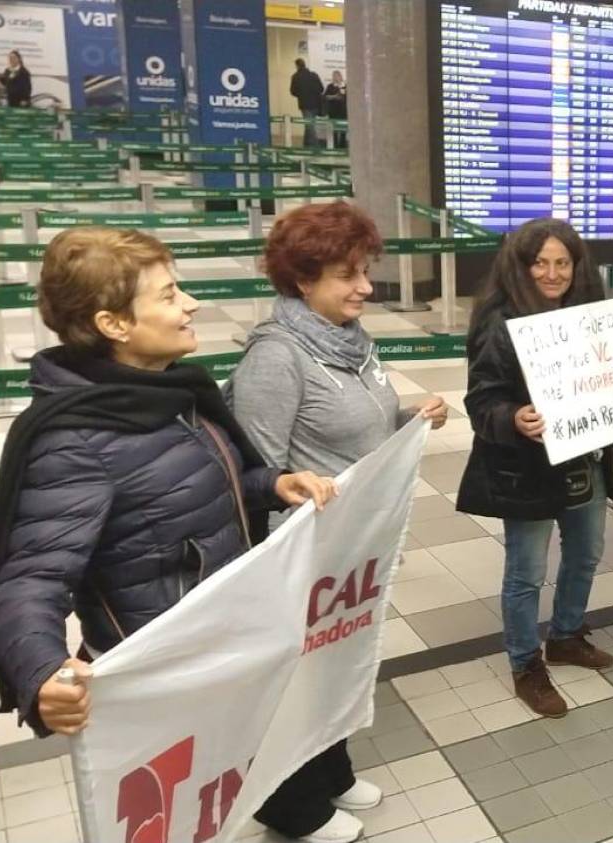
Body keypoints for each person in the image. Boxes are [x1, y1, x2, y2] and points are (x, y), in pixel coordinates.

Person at [0, 230, 333, 767]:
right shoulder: (75, 440)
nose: (191, 304)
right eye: (169, 295)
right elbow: (33, 575)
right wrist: (42, 671)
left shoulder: (167, 393)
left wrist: (271, 485)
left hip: (221, 639)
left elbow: (187, 490)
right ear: (114, 324)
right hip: (164, 670)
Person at [227, 202, 447, 840]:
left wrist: (408, 418)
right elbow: (257, 473)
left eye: (365, 271)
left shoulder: (352, 342)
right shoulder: (277, 358)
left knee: (338, 664)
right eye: (347, 275)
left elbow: (360, 425)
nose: (365, 287)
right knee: (297, 677)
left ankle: (332, 773)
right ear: (302, 280)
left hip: (354, 546)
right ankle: (291, 808)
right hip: (303, 555)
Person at [456, 218, 613, 718]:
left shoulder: (590, 314)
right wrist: (512, 417)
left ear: (576, 266)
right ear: (522, 266)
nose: (552, 273)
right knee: (525, 572)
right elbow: (481, 400)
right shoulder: (498, 320)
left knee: (586, 552)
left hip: (583, 458)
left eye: (562, 262)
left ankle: (566, 635)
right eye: (540, 263)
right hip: (525, 467)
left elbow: (609, 376)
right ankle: (526, 662)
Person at [290, 58, 326, 148]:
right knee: (309, 123)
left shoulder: (295, 76)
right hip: (316, 104)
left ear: (297, 66)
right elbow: (321, 88)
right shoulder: (314, 75)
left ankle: (315, 146)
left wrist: (301, 95)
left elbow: (293, 91)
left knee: (309, 125)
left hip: (304, 104)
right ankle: (306, 144)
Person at [323, 70, 348, 149]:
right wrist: (334, 97)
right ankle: (334, 146)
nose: (336, 77)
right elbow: (325, 97)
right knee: (334, 130)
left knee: (343, 130)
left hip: (343, 111)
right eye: (335, 76)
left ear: (341, 76)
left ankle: (342, 146)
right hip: (333, 111)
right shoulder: (330, 86)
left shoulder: (345, 86)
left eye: (338, 76)